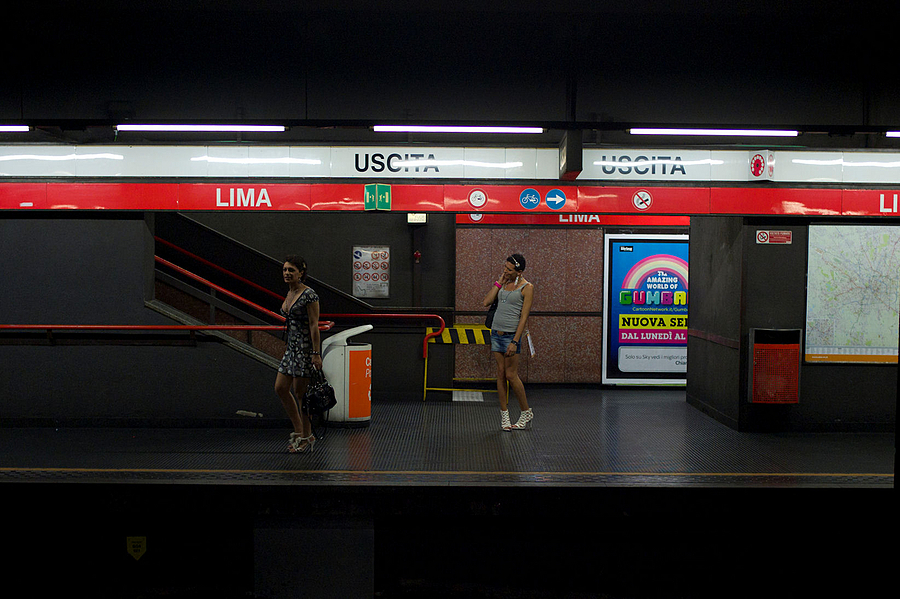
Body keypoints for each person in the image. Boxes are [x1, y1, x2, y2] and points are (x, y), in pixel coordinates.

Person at [274, 255, 323, 452]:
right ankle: (299, 429)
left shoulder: (309, 295)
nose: (287, 273)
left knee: (301, 394)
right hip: (291, 348)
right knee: (280, 388)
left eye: (291, 270)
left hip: (304, 348)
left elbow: (314, 325)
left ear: (301, 273)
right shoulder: (290, 292)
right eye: (285, 270)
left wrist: (315, 353)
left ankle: (306, 436)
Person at [483, 253, 534, 431]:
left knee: (511, 375)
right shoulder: (503, 284)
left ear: (519, 271)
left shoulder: (527, 288)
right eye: (505, 267)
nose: (506, 271)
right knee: (500, 373)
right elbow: (486, 301)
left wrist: (515, 341)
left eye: (509, 269)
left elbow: (524, 317)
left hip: (511, 335)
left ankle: (526, 411)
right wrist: (499, 281)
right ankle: (504, 415)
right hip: (496, 332)